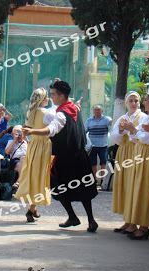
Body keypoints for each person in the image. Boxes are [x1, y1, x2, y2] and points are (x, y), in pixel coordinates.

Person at [23, 80, 98, 232]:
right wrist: (58, 82)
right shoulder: (75, 108)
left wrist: (32, 132)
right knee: (83, 188)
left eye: (53, 95)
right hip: (80, 157)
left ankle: (73, 216)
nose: (51, 97)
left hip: (65, 158)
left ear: (62, 96)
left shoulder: (61, 115)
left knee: (57, 187)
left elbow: (51, 129)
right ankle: (90, 220)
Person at [121, 90, 149, 239]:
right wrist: (134, 132)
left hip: (148, 156)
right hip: (141, 153)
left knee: (145, 188)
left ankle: (144, 226)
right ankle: (134, 222)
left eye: (146, 100)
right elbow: (138, 137)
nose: (143, 103)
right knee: (137, 187)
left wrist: (133, 131)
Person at [15, 87, 55, 222]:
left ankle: (34, 207)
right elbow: (55, 125)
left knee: (34, 176)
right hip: (43, 146)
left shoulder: (31, 113)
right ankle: (31, 209)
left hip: (33, 146)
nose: (49, 99)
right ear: (42, 100)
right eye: (47, 97)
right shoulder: (45, 113)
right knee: (41, 177)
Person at [110, 91, 147, 233]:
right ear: (125, 103)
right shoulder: (122, 118)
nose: (133, 104)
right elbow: (115, 139)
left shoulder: (143, 117)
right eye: (130, 101)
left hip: (136, 151)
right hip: (124, 152)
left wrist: (131, 129)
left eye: (136, 101)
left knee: (134, 185)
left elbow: (142, 136)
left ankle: (136, 222)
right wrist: (120, 130)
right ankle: (128, 220)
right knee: (125, 185)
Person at [85, 105, 112, 180]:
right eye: (95, 110)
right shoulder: (89, 121)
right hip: (92, 146)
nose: (97, 111)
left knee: (103, 163)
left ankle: (103, 179)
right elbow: (84, 132)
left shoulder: (106, 119)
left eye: (99, 110)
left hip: (103, 146)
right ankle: (95, 179)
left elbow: (112, 123)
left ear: (102, 111)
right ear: (93, 111)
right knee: (93, 164)